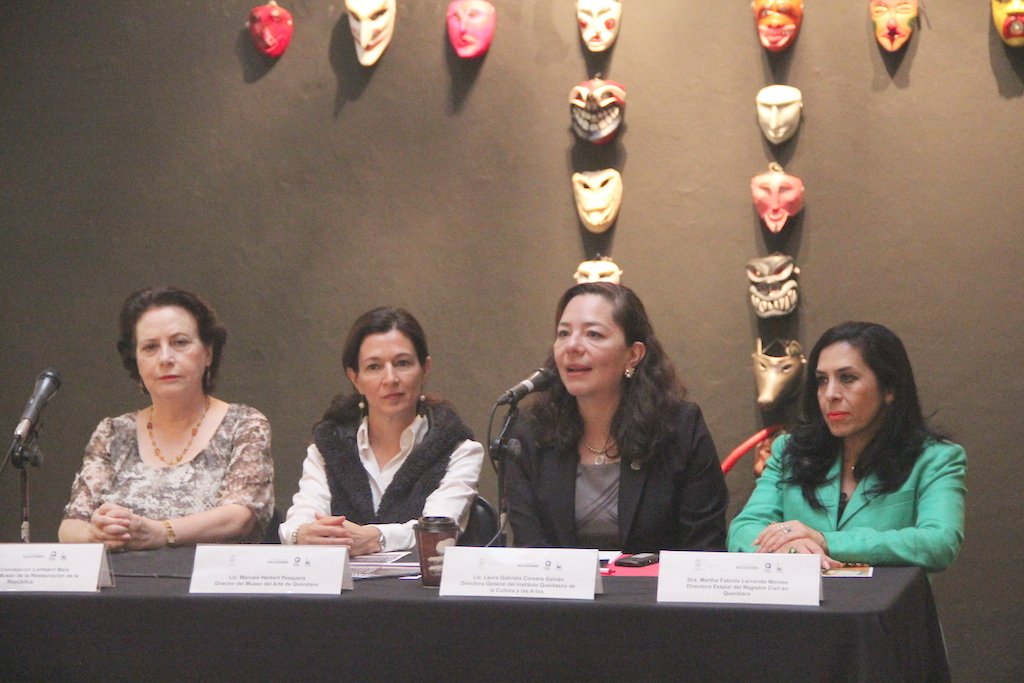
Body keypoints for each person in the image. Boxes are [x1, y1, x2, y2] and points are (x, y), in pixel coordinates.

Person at [506, 282, 728, 552]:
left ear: (633, 355)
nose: (572, 346)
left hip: (656, 581)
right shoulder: (530, 432)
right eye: (563, 333)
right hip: (559, 582)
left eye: (593, 334)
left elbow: (703, 547)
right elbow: (530, 551)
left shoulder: (679, 428)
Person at [727, 322, 967, 572]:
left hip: (883, 597)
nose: (830, 394)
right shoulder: (789, 450)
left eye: (847, 378)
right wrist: (791, 550)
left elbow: (939, 543)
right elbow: (744, 529)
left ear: (889, 388)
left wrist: (825, 541)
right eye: (822, 380)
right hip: (799, 596)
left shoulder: (936, 458)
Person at [59, 287, 274, 550]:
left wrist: (161, 533)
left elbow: (239, 518)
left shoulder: (243, 424)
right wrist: (94, 534)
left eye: (180, 342)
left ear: (208, 352)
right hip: (123, 576)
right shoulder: (114, 432)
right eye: (150, 347)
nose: (165, 358)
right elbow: (70, 526)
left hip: (210, 576)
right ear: (135, 360)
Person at [279, 307, 483, 554]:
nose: (390, 379)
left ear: (425, 369)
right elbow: (300, 518)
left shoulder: (461, 451)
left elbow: (439, 529)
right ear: (355, 378)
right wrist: (303, 533)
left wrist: (377, 538)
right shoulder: (329, 446)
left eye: (403, 363)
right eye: (374, 367)